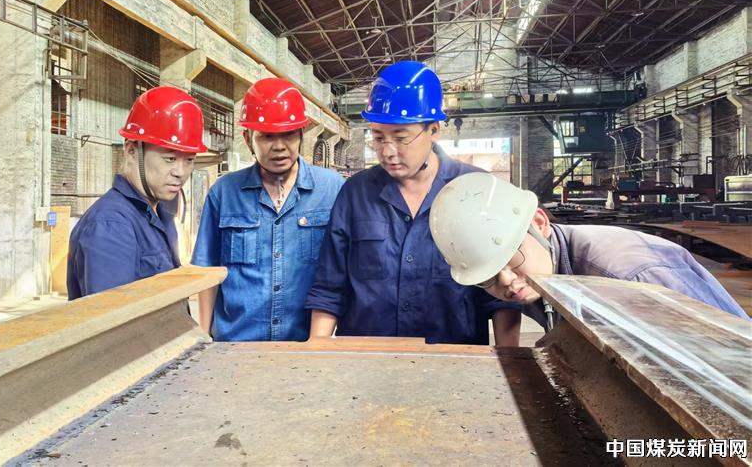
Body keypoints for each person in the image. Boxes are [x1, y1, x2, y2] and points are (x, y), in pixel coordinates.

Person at [305, 61, 523, 345]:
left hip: (452, 359)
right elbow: (329, 287)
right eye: (378, 137)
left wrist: (510, 357)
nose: (387, 151)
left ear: (434, 130)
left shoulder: (477, 190)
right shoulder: (355, 193)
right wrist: (317, 353)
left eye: (401, 138)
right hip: (366, 358)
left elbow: (502, 297)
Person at [430, 172, 749, 330]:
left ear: (539, 223)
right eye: (488, 277)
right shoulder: (540, 271)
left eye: (511, 261)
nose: (507, 283)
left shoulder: (632, 277)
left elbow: (728, 358)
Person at [191, 78, 345, 341]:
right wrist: (203, 337)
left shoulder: (332, 190)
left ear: (301, 134)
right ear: (247, 139)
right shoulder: (224, 193)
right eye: (267, 136)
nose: (279, 146)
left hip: (304, 345)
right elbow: (207, 270)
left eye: (288, 134)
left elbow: (341, 272)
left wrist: (319, 345)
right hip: (236, 344)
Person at [68, 86, 206, 299]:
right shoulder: (111, 225)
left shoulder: (161, 216)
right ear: (131, 150)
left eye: (189, 160)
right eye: (170, 159)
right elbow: (115, 315)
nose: (180, 172)